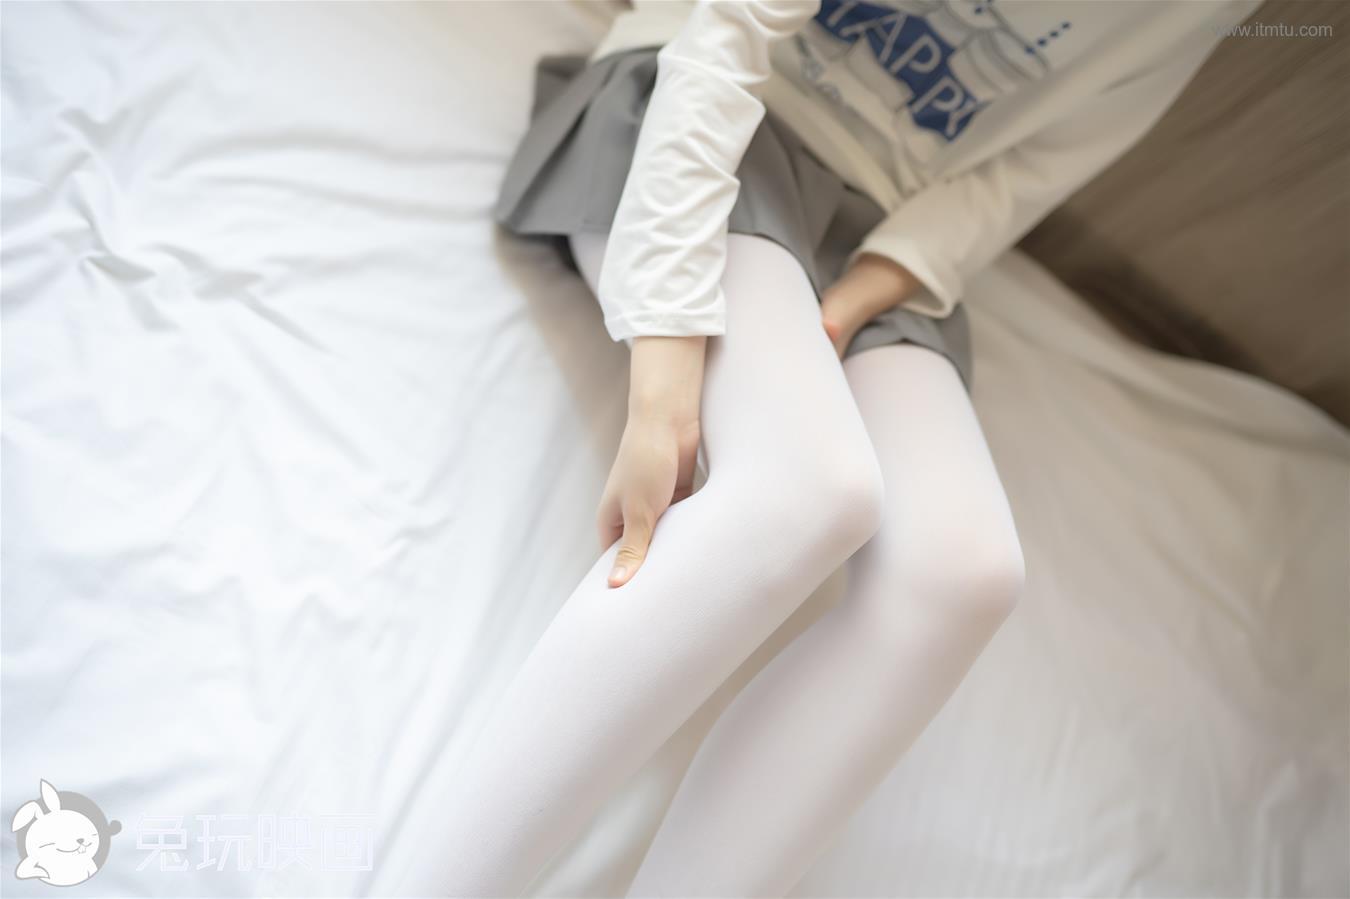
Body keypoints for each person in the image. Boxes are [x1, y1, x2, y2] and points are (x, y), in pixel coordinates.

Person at [375, 1, 1258, 894]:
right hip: (710, 112)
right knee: (807, 486)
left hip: (879, 228)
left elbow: (1037, 161)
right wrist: (664, 358)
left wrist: (863, 290)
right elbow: (726, 36)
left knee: (965, 576)